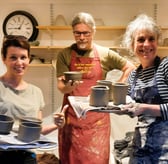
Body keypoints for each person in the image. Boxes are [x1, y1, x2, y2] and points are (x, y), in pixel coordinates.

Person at [56, 12, 135, 164]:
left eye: (86, 33)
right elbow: (61, 87)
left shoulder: (104, 53)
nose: (81, 37)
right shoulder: (64, 54)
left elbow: (130, 67)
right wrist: (68, 87)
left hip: (97, 123)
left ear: (93, 32)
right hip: (72, 119)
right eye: (77, 33)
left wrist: (115, 89)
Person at [0, 35, 67, 164]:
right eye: (13, 57)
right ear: (4, 59)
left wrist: (56, 125)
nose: (19, 63)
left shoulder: (35, 92)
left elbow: (37, 131)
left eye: (23, 57)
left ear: (29, 59)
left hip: (28, 157)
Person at [121, 14, 168, 163]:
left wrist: (143, 108)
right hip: (140, 148)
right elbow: (129, 107)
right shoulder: (133, 76)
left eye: (151, 39)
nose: (146, 45)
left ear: (157, 42)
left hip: (165, 151)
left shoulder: (165, 67)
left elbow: (140, 108)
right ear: (132, 45)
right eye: (141, 40)